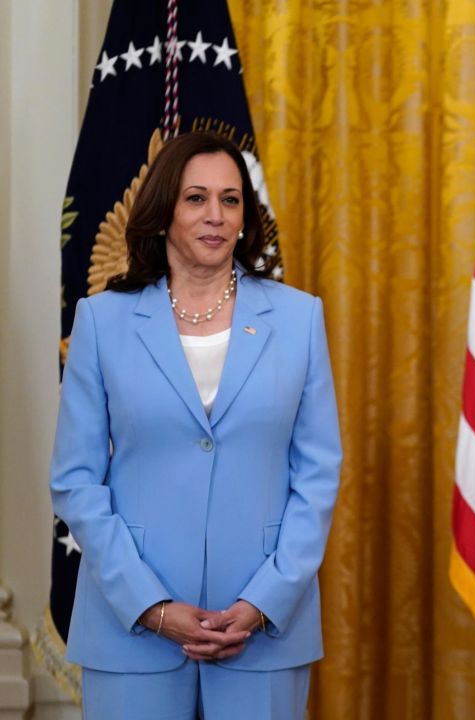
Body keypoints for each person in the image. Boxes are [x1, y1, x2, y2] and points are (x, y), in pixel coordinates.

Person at [50, 131, 342, 719]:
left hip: (262, 631)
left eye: (231, 200)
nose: (216, 215)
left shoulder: (299, 317)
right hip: (130, 629)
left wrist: (264, 600)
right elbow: (75, 481)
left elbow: (318, 476)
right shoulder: (101, 321)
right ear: (164, 212)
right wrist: (151, 605)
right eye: (196, 198)